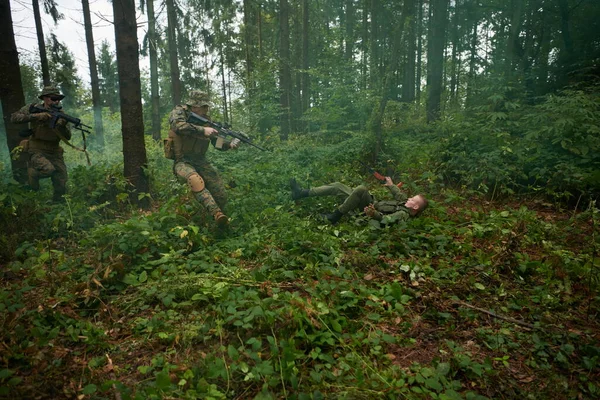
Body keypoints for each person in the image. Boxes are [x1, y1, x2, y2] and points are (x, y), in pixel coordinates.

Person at [166, 91, 240, 227]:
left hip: (200, 160)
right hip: (182, 161)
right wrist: (202, 130)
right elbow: (178, 126)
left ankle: (217, 225)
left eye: (206, 107)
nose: (206, 109)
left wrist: (229, 144)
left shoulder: (206, 120)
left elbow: (216, 143)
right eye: (204, 106)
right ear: (194, 106)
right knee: (195, 179)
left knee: (221, 194)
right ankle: (216, 214)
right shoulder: (179, 112)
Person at [11, 86, 72, 202]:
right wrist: (35, 116)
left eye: (58, 99)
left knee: (61, 179)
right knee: (48, 169)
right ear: (45, 98)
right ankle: (32, 174)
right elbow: (14, 118)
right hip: (37, 149)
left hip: (54, 150)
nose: (56, 101)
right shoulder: (34, 108)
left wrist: (62, 126)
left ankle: (57, 204)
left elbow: (68, 137)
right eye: (53, 98)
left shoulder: (61, 115)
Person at [290, 176, 428, 224]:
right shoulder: (404, 203)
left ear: (415, 208)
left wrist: (373, 214)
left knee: (361, 188)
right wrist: (391, 185)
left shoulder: (403, 214)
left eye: (412, 199)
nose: (408, 198)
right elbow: (399, 194)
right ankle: (301, 193)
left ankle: (335, 215)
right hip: (369, 203)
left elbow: (387, 220)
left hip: (367, 211)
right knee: (338, 186)